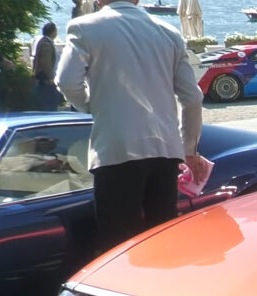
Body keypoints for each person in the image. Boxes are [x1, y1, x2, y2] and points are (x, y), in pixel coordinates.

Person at [55, 0, 205, 252]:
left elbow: (67, 82)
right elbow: (192, 97)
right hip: (165, 151)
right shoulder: (168, 32)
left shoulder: (84, 27)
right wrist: (189, 148)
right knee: (163, 241)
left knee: (120, 246)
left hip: (117, 149)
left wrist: (93, 106)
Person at [33, 23, 61, 111]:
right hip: (46, 79)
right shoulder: (46, 44)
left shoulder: (45, 42)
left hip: (45, 79)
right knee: (49, 104)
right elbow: (46, 62)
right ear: (53, 32)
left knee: (49, 102)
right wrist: (50, 78)